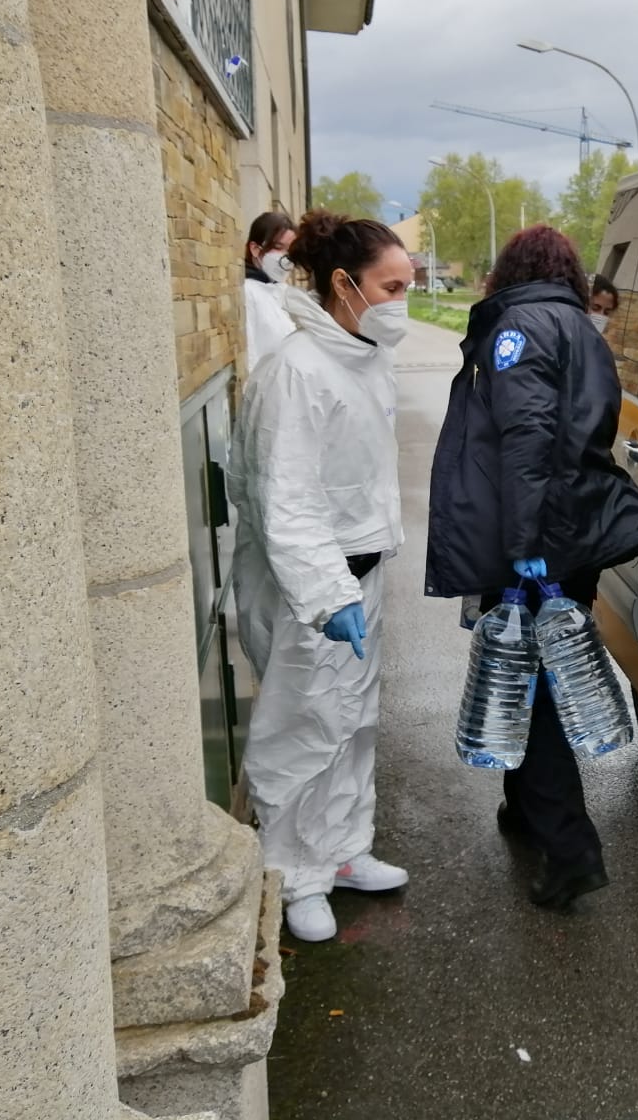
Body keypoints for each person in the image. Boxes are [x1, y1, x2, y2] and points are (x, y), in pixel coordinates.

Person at [425, 225, 638, 909]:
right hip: (568, 531)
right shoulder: (574, 323)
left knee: (534, 686)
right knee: (529, 671)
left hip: (537, 540)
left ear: (509, 269)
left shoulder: (520, 327)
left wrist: (524, 545)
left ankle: (570, 848)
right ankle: (524, 808)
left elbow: (528, 438)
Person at [227, 208, 414, 943]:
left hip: (358, 576)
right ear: (344, 284)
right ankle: (292, 874)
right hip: (316, 591)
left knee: (353, 725)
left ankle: (341, 853)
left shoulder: (362, 359)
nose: (401, 301)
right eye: (391, 286)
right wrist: (328, 594)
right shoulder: (298, 373)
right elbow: (287, 499)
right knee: (301, 732)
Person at [242, 211, 297, 371]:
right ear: (255, 249)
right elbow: (250, 356)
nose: (285, 258)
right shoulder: (248, 292)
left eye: (290, 251)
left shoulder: (280, 291)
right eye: (278, 247)